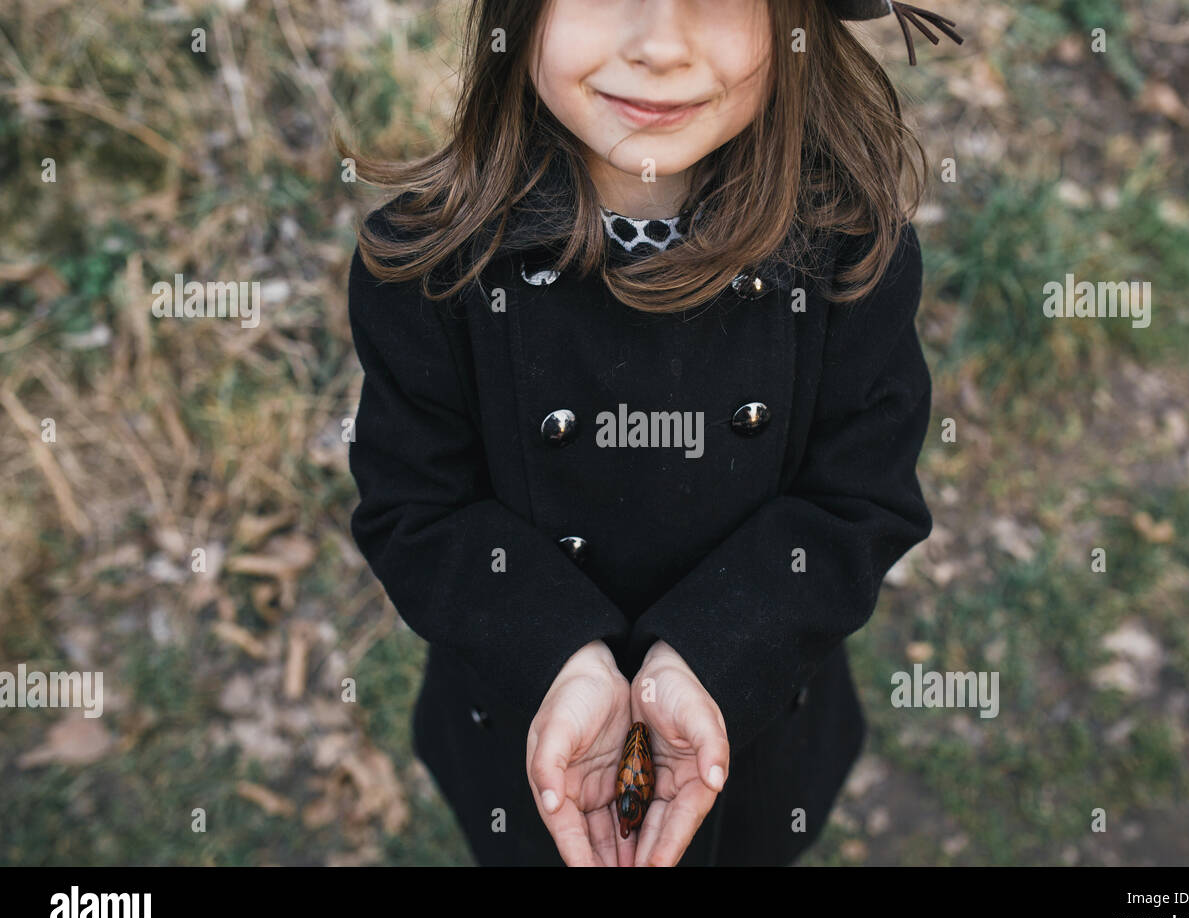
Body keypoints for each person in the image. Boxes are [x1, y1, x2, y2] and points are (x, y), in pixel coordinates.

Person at [343, 0, 958, 866]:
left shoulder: (850, 253)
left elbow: (859, 503)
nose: (660, 44)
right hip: (532, 727)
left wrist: (713, 653)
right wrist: (558, 654)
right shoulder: (431, 269)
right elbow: (417, 512)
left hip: (754, 728)